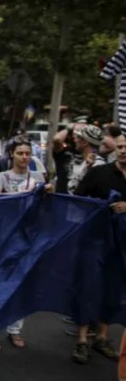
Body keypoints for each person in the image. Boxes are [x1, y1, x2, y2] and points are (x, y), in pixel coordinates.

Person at [0, 139, 47, 352]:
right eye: (20, 153)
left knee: (20, 285)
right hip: (5, 238)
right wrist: (21, 197)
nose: (24, 157)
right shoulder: (3, 176)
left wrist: (47, 192)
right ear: (12, 155)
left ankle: (14, 329)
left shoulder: (37, 178)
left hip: (28, 238)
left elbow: (46, 206)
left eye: (27, 153)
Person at [70, 132, 126, 365]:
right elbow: (77, 199)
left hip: (122, 245)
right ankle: (82, 341)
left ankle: (102, 338)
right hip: (94, 240)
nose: (123, 150)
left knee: (114, 289)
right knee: (88, 287)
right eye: (120, 146)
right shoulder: (98, 173)